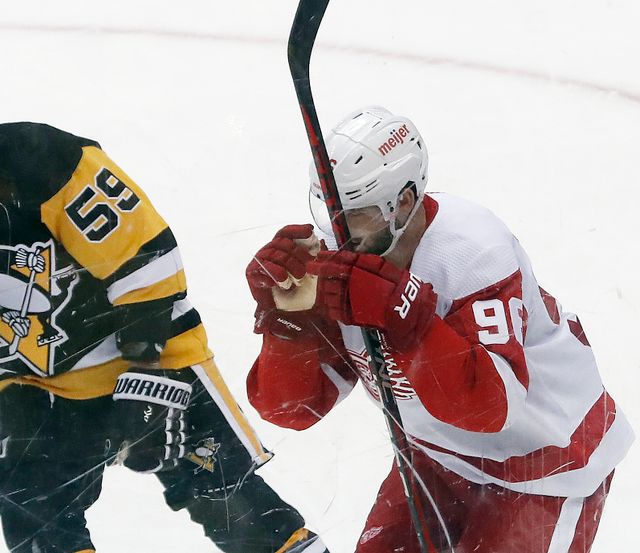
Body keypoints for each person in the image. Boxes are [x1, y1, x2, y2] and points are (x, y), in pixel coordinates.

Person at [0, 37, 330, 553]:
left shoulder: (41, 158)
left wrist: (149, 373)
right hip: (36, 381)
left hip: (143, 350)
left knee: (233, 504)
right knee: (36, 526)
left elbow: (148, 257)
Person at [244, 105, 634, 553]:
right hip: (434, 459)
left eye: (357, 213)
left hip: (547, 466)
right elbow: (293, 410)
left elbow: (489, 411)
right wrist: (289, 324)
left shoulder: (470, 254)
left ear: (404, 202)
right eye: (331, 209)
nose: (337, 230)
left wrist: (404, 317)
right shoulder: (333, 263)